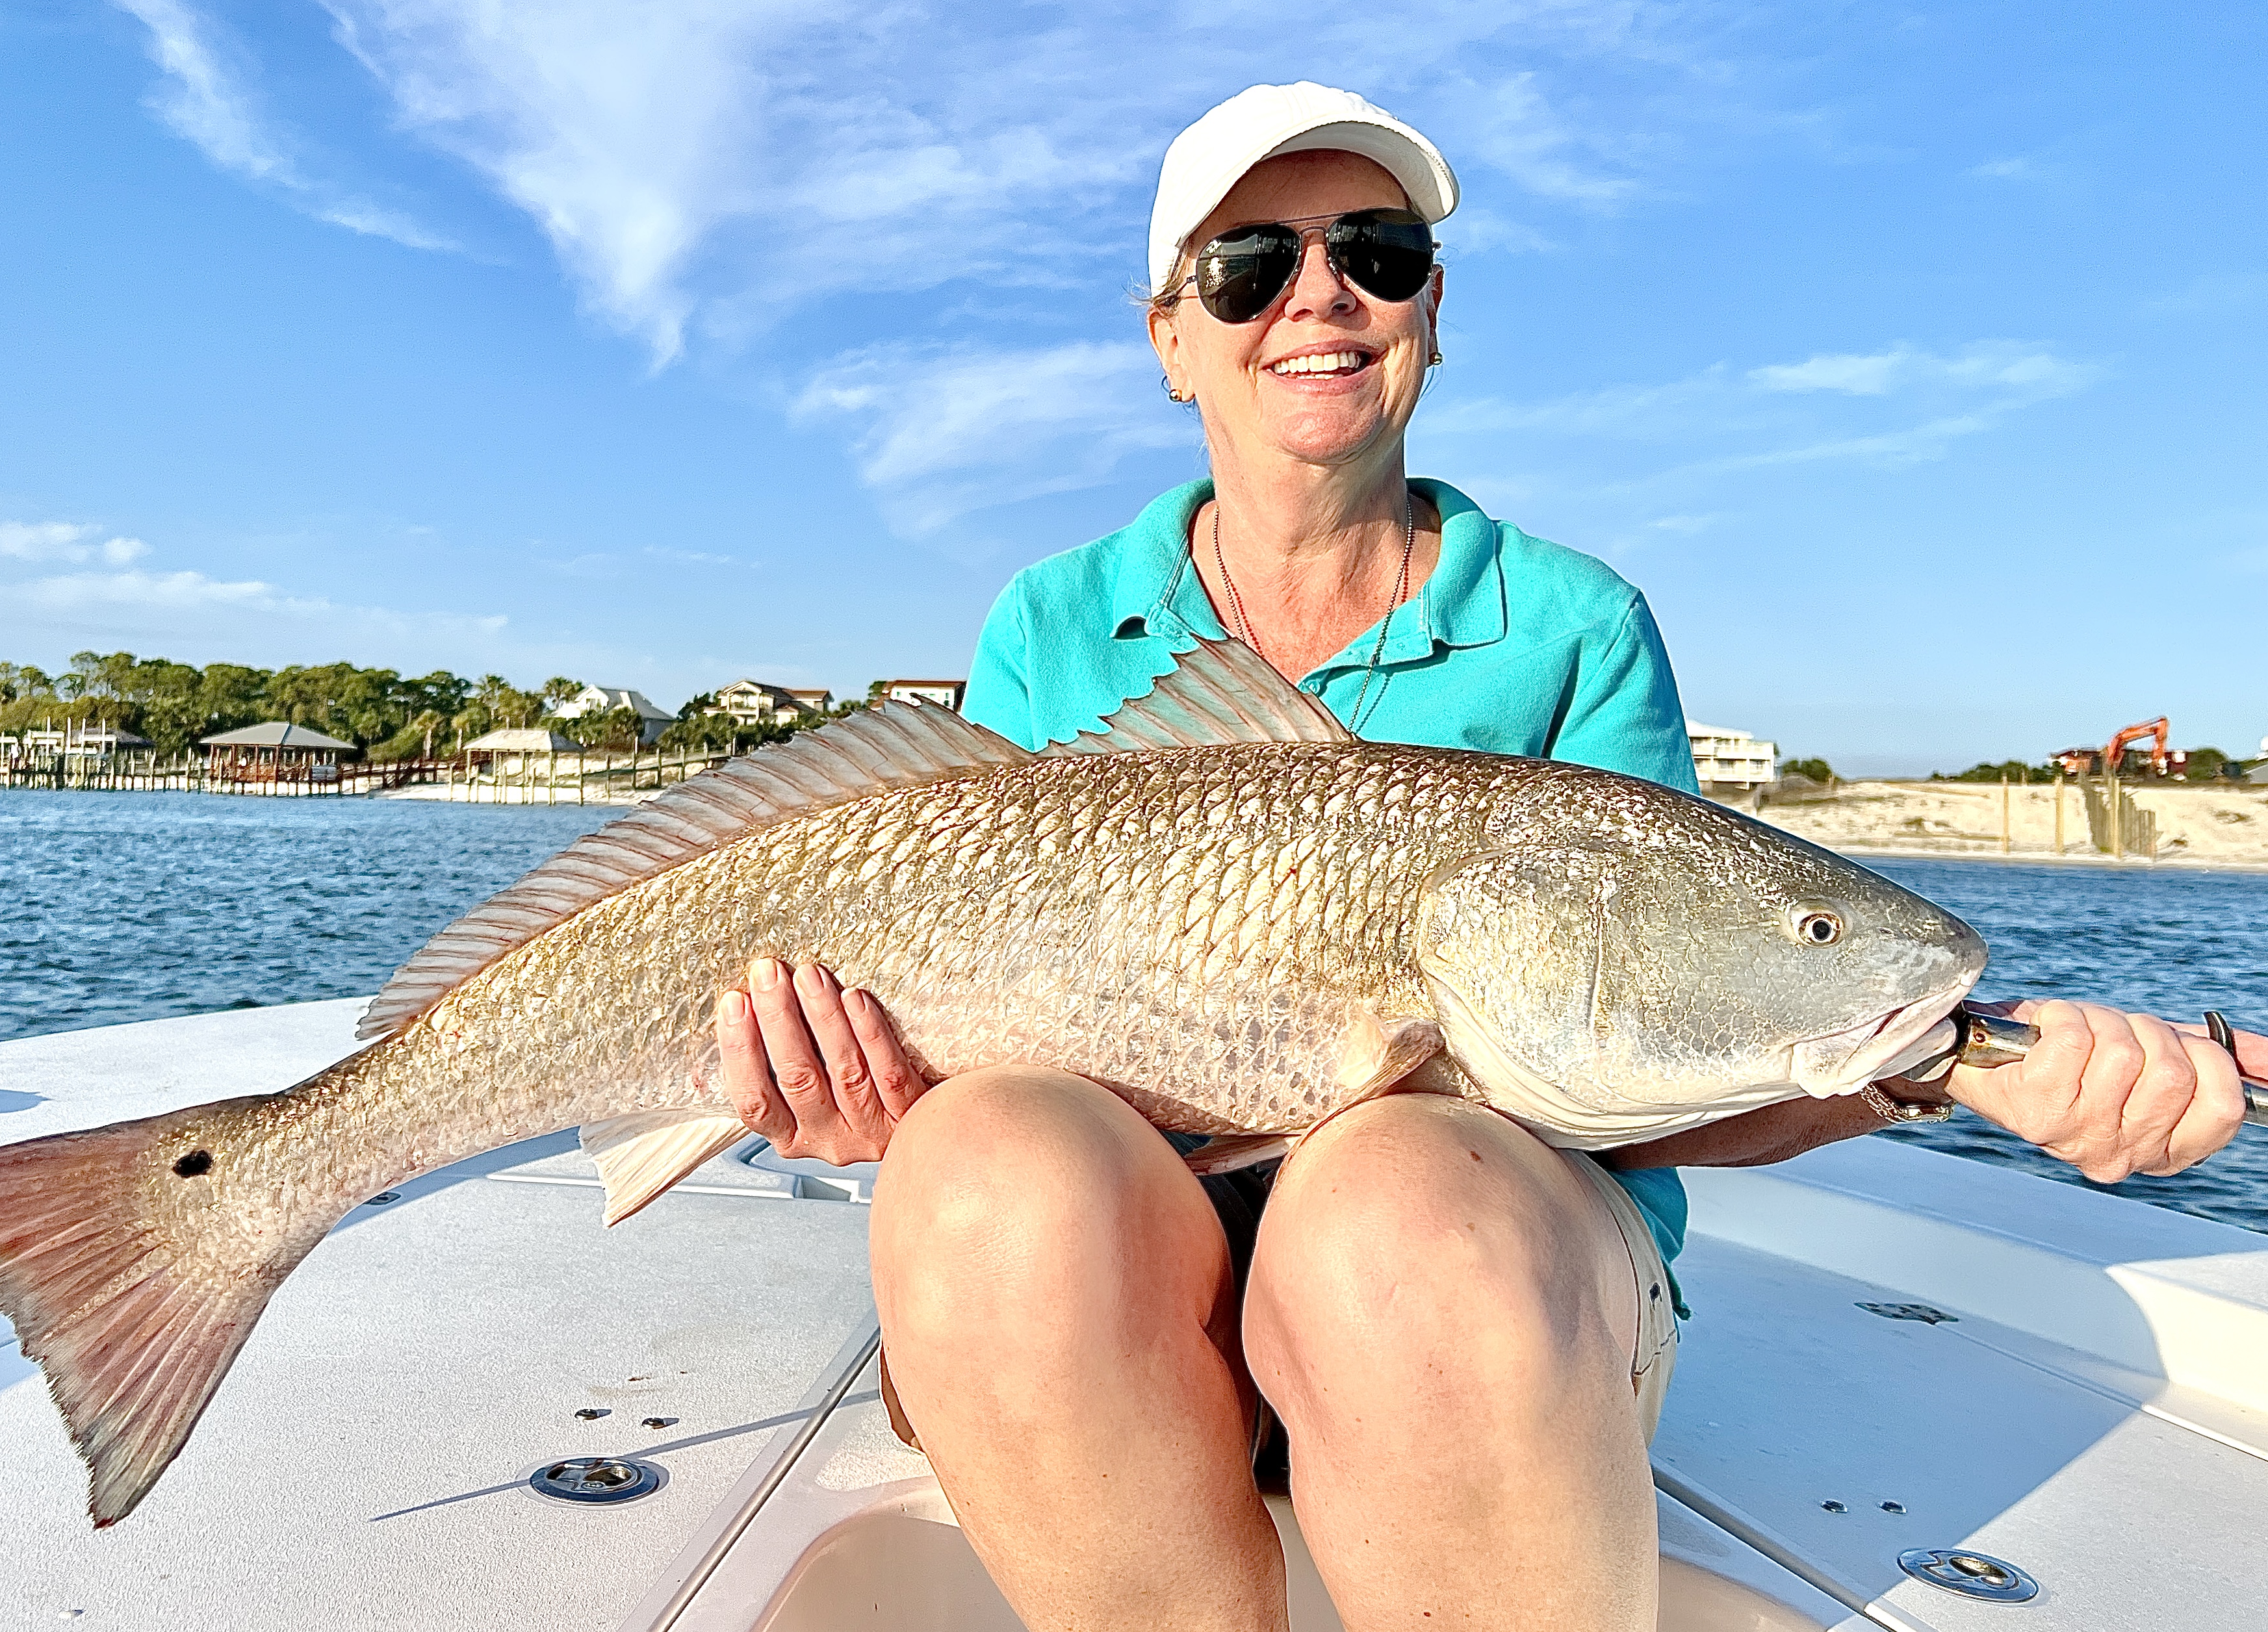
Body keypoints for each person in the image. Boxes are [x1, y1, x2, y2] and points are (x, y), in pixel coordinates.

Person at [712, 83, 2259, 1632]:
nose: (1320, 294)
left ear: (1431, 314)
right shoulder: (1049, 620)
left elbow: (1654, 1070)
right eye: (1249, 265)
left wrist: (1941, 1065)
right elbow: (961, 1017)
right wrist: (870, 1095)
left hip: (1492, 1330)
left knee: (1395, 1195)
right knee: (977, 1165)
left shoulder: (1577, 625)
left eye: (1375, 254)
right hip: (1127, 1339)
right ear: (1171, 339)